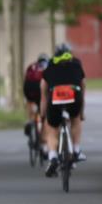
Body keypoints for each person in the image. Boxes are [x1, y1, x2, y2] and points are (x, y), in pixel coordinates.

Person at [40, 42, 86, 177]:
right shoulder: (76, 64)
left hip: (55, 98)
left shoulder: (49, 65)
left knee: (52, 128)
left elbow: (43, 93)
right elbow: (83, 86)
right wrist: (81, 112)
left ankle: (53, 156)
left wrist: (43, 115)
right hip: (74, 96)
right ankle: (76, 150)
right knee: (75, 119)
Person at [23, 53, 50, 157]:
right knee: (45, 117)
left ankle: (30, 120)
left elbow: (25, 79)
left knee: (30, 102)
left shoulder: (32, 66)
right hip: (41, 89)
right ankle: (44, 144)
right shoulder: (49, 66)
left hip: (29, 88)